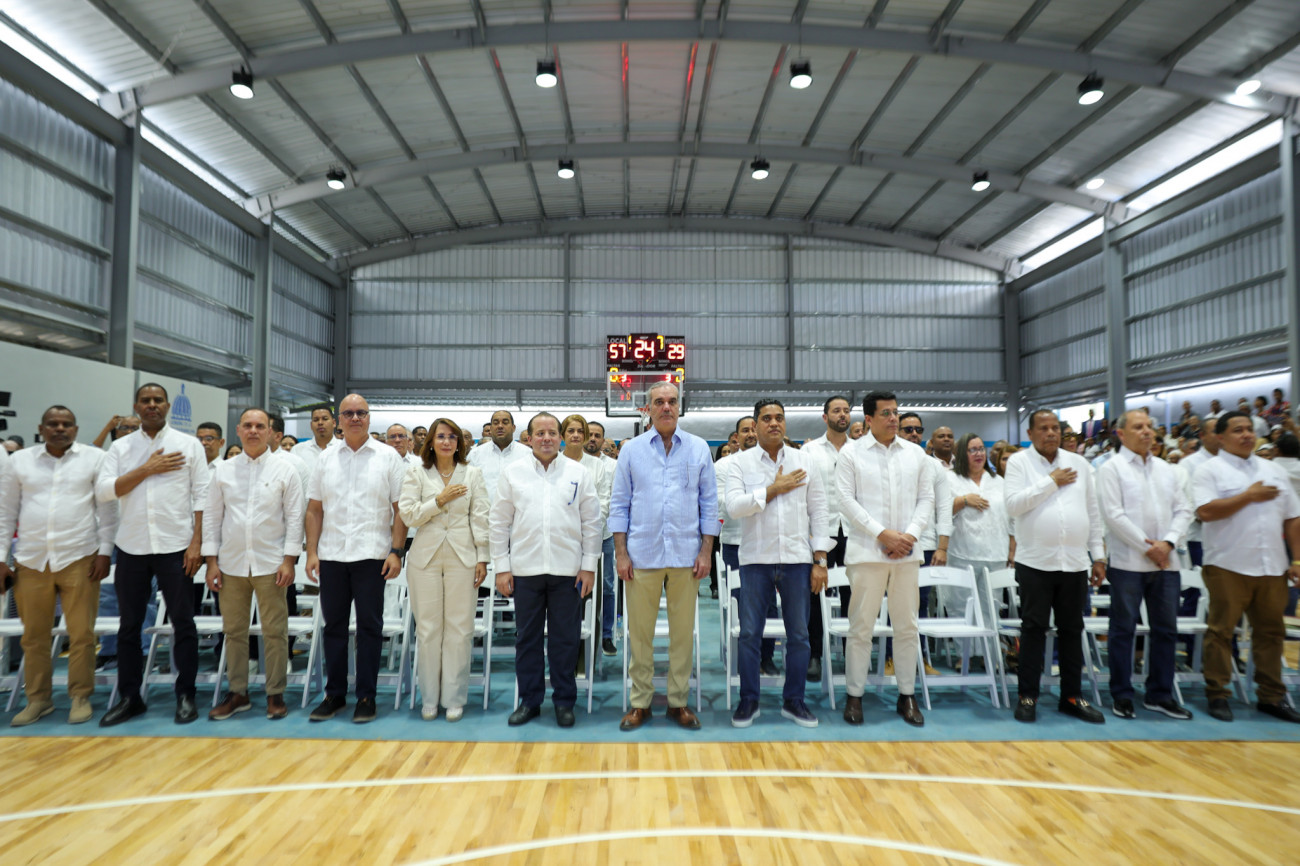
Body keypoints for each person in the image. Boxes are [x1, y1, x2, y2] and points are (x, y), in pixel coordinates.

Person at [95, 383, 209, 727]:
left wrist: (197, 544)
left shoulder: (188, 445)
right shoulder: (121, 447)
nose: (152, 405)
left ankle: (185, 694)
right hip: (131, 546)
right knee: (129, 626)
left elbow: (202, 496)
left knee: (183, 623)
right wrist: (146, 468)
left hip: (176, 547)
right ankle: (130, 697)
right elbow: (104, 491)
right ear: (136, 406)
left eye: (158, 400)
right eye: (146, 401)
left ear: (168, 406)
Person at [609, 382, 717, 731]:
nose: (666, 407)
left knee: (682, 635)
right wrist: (621, 553)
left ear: (679, 407)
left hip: (687, 556)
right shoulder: (631, 451)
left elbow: (709, 504)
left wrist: (706, 550)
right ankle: (640, 703)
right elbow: (619, 504)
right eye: (659, 402)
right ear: (649, 409)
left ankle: (677, 702)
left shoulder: (699, 449)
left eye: (672, 401)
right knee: (640, 636)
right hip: (642, 554)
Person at [0, 407, 115, 726]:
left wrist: (105, 552)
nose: (60, 428)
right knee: (33, 636)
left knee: (82, 634)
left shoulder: (94, 458)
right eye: (53, 424)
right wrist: (1, 558)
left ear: (76, 430)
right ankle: (38, 699)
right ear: (42, 428)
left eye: (66, 424)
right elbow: (5, 512)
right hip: (31, 559)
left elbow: (108, 510)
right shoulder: (19, 461)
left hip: (80, 556)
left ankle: (80, 696)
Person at [723, 399, 830, 728]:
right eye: (766, 418)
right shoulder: (739, 463)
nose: (774, 423)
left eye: (779, 418)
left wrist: (820, 559)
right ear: (755, 425)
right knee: (749, 634)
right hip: (756, 559)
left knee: (799, 635)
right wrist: (772, 490)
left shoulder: (805, 461)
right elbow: (733, 507)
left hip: (798, 560)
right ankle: (749, 700)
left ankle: (794, 701)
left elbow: (819, 510)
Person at [490, 413, 601, 727]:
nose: (547, 438)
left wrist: (589, 566)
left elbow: (592, 523)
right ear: (529, 438)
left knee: (565, 640)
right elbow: (499, 522)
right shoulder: (513, 473)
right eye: (540, 433)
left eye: (552, 432)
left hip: (568, 570)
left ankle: (564, 702)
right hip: (525, 569)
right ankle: (530, 701)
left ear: (561, 437)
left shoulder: (578, 473)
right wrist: (502, 567)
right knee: (527, 639)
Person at [304, 394, 408, 724]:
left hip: (372, 556)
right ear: (339, 419)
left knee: (369, 628)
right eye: (348, 413)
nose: (355, 418)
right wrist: (311, 552)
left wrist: (396, 551)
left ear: (369, 417)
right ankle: (334, 694)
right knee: (333, 627)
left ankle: (366, 696)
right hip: (332, 555)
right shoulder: (325, 459)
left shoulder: (388, 457)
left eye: (361, 412)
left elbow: (400, 510)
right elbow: (314, 510)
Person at [1193, 411, 1300, 723]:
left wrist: (1296, 559)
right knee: (1221, 632)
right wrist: (1249, 496)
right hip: (1228, 564)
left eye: (1249, 429)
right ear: (1220, 437)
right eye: (1238, 430)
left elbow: (1293, 518)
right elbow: (1206, 512)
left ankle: (1271, 696)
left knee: (1271, 633)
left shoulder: (1273, 469)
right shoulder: (1209, 470)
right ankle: (1217, 694)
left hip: (1272, 565)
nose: (1246, 435)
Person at [834, 390, 933, 727]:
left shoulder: (915, 454)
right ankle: (854, 695)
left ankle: (907, 695)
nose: (894, 419)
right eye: (886, 413)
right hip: (867, 553)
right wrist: (883, 534)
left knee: (907, 626)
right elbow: (846, 500)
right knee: (861, 627)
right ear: (869, 419)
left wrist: (909, 535)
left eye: (896, 412)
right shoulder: (851, 453)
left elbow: (926, 500)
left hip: (906, 553)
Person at [1003, 410, 1106, 725]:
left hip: (1074, 561)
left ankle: (1072, 697)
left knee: (1072, 629)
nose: (1051, 433)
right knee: (1033, 629)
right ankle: (1028, 696)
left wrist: (1098, 555)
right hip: (1035, 561)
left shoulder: (1080, 464)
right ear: (1030, 433)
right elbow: (1013, 505)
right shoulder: (1019, 462)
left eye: (1055, 428)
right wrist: (1051, 482)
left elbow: (1093, 511)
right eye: (1044, 428)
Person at [202, 408, 304, 722]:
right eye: (248, 425)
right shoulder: (224, 471)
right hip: (231, 564)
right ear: (238, 430)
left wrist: (289, 561)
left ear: (270, 431)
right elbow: (212, 518)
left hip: (271, 564)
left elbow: (295, 518)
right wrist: (211, 562)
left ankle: (275, 693)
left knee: (275, 631)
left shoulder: (285, 470)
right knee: (234, 632)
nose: (254, 431)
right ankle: (238, 693)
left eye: (260, 426)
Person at [1097, 410, 1194, 720]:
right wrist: (1148, 547)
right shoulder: (1111, 469)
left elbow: (1184, 510)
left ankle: (1160, 695)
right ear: (1121, 434)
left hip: (1167, 562)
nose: (1147, 431)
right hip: (1129, 562)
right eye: (1138, 427)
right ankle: (1122, 694)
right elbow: (1114, 516)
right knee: (1122, 630)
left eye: (1150, 426)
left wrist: (1168, 543)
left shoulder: (1167, 469)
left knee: (1166, 630)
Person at [398, 418, 489, 722]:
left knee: (460, 630)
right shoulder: (417, 473)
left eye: (452, 437)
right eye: (440, 436)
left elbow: (481, 517)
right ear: (431, 442)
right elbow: (409, 515)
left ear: (459, 443)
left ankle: (453, 698)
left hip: (463, 557)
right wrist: (438, 501)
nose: (446, 442)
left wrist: (483, 558)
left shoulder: (472, 474)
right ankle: (429, 698)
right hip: (424, 558)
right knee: (428, 630)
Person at [801, 395, 852, 683]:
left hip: (854, 532)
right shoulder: (810, 451)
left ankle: (850, 653)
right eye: (836, 411)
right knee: (815, 593)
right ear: (825, 417)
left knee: (852, 595)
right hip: (820, 532)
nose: (842, 415)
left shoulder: (860, 450)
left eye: (846, 411)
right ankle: (814, 655)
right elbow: (803, 493)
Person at [947, 433, 1014, 638]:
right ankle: (965, 652)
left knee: (991, 608)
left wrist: (1012, 550)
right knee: (961, 607)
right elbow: (939, 512)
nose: (979, 454)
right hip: (962, 553)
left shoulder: (998, 481)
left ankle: (990, 652)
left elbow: (1012, 518)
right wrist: (963, 500)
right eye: (972, 450)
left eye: (981, 449)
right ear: (962, 453)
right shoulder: (950, 479)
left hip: (995, 554)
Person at [560, 415, 612, 659]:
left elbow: (603, 503)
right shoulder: (554, 462)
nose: (576, 435)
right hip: (561, 544)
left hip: (591, 543)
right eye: (570, 431)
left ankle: (587, 659)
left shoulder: (597, 466)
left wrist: (585, 530)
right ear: (563, 435)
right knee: (563, 604)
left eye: (580, 431)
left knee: (589, 600)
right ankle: (563, 657)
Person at [585, 421, 620, 656]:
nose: (593, 439)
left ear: (603, 439)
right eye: (590, 434)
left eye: (598, 435)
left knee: (607, 586)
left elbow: (615, 499)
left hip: (605, 534)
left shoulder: (613, 466)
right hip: (575, 537)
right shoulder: (571, 462)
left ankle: (607, 635)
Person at [468, 410, 529, 503]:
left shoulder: (527, 454)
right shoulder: (475, 454)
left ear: (513, 428)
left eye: (505, 422)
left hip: (519, 511)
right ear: (491, 428)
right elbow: (467, 486)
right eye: (496, 423)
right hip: (484, 511)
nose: (500, 426)